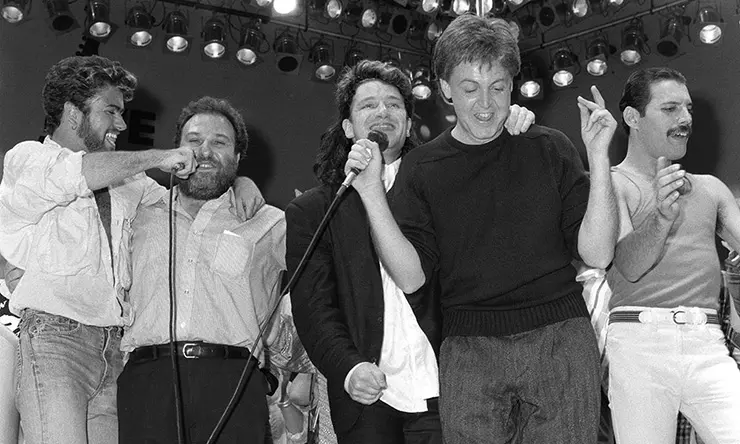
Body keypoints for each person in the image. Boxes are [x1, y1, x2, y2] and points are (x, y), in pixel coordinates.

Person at [343, 16, 618, 444]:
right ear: (446, 88)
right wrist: (372, 196)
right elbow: (412, 276)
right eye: (470, 89)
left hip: (560, 338)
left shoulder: (548, 147)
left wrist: (598, 157)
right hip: (469, 349)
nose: (486, 105)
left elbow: (598, 254)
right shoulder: (422, 168)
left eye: (498, 87)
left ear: (513, 84)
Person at [0, 56, 261, 444]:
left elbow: (185, 200)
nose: (121, 124)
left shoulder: (131, 181)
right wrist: (159, 157)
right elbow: (78, 174)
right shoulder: (29, 159)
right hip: (55, 341)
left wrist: (239, 182)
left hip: (115, 352)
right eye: (111, 111)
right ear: (73, 114)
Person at [285, 59, 534, 444]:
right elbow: (313, 306)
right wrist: (347, 367)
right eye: (368, 105)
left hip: (452, 384)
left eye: (394, 104)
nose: (383, 111)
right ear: (349, 128)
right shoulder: (315, 211)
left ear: (408, 122)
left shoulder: (444, 185)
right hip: (369, 394)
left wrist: (509, 133)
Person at [116, 96, 297, 443]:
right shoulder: (140, 209)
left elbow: (322, 285)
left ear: (238, 158)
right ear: (177, 150)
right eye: (194, 141)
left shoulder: (270, 223)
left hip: (233, 384)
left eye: (220, 143)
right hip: (146, 383)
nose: (204, 151)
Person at [605, 67, 740, 444]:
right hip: (639, 342)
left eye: (688, 109)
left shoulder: (710, 189)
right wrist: (661, 219)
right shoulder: (611, 184)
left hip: (708, 344)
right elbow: (627, 267)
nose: (685, 120)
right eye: (670, 109)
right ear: (633, 117)